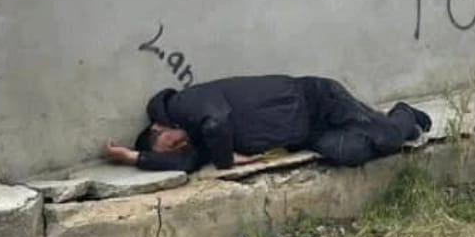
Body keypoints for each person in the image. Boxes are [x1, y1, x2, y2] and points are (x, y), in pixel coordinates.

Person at [103, 74, 432, 174]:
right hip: (307, 133)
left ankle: (403, 114)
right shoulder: (196, 141)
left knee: (388, 138)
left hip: (317, 99)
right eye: (177, 149)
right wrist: (134, 158)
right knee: (350, 153)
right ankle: (381, 122)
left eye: (171, 142)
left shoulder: (184, 103)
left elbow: (217, 123)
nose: (182, 144)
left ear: (159, 127)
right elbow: (186, 163)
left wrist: (226, 160)